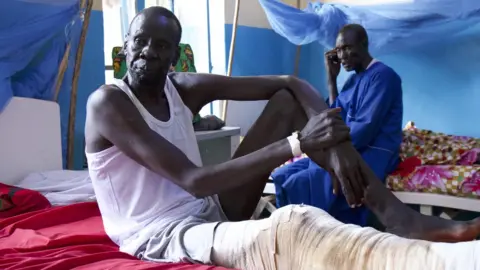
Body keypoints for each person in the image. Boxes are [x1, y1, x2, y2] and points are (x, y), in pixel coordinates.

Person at [85, 7, 480, 269]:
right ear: (125, 43)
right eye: (139, 41)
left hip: (209, 208)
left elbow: (290, 84)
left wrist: (337, 150)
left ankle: (396, 216)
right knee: (292, 227)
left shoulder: (182, 87)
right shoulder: (108, 104)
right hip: (160, 234)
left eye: (162, 45)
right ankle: (413, 243)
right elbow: (193, 179)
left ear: (175, 55)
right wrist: (298, 145)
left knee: (288, 101)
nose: (147, 52)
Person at [271, 24, 402, 226]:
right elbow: (333, 115)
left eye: (347, 47)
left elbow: (364, 130)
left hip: (370, 151)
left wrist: (327, 149)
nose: (342, 55)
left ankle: (312, 236)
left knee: (300, 181)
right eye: (338, 50)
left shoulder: (383, 76)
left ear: (364, 44)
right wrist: (331, 79)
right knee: (282, 175)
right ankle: (290, 233)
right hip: (345, 146)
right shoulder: (352, 80)